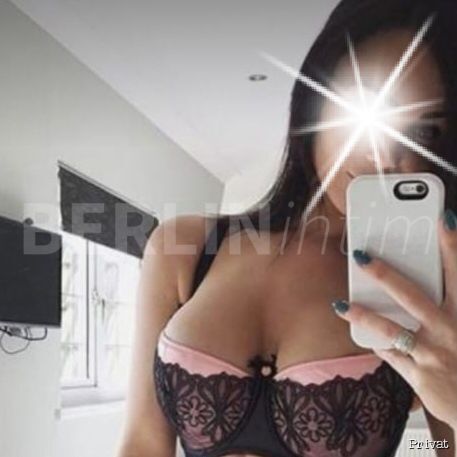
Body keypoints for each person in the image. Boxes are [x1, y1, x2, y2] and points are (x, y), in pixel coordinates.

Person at [117, 0, 457, 456]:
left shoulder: (432, 290)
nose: (385, 154)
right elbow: (142, 443)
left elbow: (444, 446)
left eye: (423, 133)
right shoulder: (184, 249)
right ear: (316, 103)